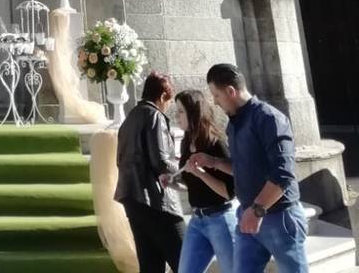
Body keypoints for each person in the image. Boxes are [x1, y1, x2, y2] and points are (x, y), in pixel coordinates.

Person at [190, 64, 308, 273]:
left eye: (216, 96)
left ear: (230, 91)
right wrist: (214, 162)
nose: (215, 103)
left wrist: (257, 210)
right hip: (248, 216)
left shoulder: (269, 118)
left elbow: (283, 173)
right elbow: (244, 167)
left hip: (279, 217)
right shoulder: (234, 124)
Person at [115, 71, 186, 272]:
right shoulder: (154, 115)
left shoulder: (130, 118)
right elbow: (161, 160)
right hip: (156, 201)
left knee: (150, 264)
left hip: (132, 198)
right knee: (186, 261)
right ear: (163, 95)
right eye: (170, 101)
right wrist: (187, 175)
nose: (169, 105)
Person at [174, 89, 237, 273]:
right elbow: (192, 186)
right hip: (197, 220)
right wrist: (170, 184)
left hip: (221, 219)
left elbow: (228, 192)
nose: (177, 116)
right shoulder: (187, 143)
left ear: (193, 113)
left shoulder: (216, 144)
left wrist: (202, 173)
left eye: (180, 111)